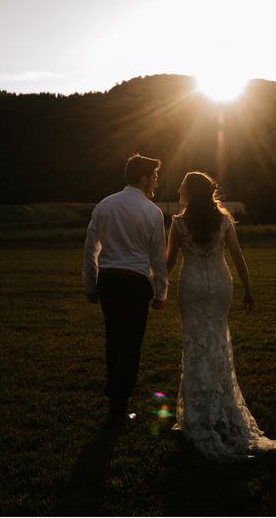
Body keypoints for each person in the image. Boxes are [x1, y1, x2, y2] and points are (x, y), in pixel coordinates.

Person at [166, 171, 276, 461]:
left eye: (182, 187)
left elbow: (168, 262)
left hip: (191, 285)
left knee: (195, 344)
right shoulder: (224, 220)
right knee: (218, 341)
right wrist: (248, 290)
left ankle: (197, 413)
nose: (179, 189)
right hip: (220, 284)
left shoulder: (179, 224)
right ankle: (220, 404)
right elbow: (238, 257)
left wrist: (158, 289)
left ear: (190, 192)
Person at [83, 153, 168, 424]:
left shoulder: (105, 205)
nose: (156, 182)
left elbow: (90, 249)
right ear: (143, 179)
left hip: (108, 282)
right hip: (135, 284)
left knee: (114, 341)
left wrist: (91, 284)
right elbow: (158, 258)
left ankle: (114, 401)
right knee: (131, 345)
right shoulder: (152, 212)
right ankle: (119, 405)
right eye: (154, 177)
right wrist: (161, 292)